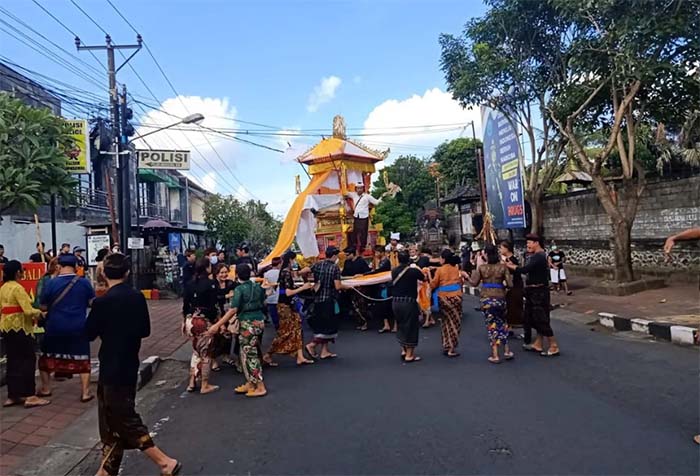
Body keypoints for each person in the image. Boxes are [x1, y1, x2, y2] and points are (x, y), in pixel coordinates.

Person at [85, 253, 181, 476]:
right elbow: (145, 331)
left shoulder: (102, 302)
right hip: (129, 363)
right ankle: (107, 469)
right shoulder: (137, 297)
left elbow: (89, 333)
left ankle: (164, 461)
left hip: (111, 366)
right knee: (111, 419)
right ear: (127, 273)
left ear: (103, 274)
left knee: (123, 417)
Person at [38, 254, 95, 402]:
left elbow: (43, 306)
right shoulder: (84, 283)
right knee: (83, 358)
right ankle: (85, 392)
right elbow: (92, 303)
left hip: (54, 326)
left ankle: (46, 388)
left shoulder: (50, 283)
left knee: (46, 358)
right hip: (78, 326)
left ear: (59, 266)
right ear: (76, 267)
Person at [209, 264, 268, 397]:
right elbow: (264, 300)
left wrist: (217, 324)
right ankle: (251, 382)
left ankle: (260, 386)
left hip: (247, 323)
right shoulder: (258, 287)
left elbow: (233, 309)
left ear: (236, 275)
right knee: (245, 354)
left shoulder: (239, 290)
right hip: (258, 321)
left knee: (250, 355)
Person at [0, 260, 51, 408]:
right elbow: (28, 310)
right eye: (22, 270)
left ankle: (13, 395)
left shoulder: (3, 288)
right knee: (27, 360)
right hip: (21, 328)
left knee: (13, 361)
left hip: (6, 328)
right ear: (17, 273)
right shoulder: (18, 288)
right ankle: (30, 395)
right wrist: (41, 313)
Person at [506, 233, 561, 357]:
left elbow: (524, 270)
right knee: (530, 318)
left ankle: (553, 345)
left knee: (541, 318)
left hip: (539, 292)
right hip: (532, 291)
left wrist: (511, 266)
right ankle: (538, 343)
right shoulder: (536, 256)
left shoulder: (539, 257)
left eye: (529, 243)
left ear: (536, 243)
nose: (528, 245)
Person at [263, 251, 315, 366]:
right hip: (285, 305)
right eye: (294, 260)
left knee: (297, 328)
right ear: (291, 260)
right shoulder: (286, 273)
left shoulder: (286, 272)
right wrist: (303, 288)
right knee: (285, 332)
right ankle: (268, 354)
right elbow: (287, 292)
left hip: (287, 304)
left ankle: (300, 356)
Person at [470, 244, 514, 363]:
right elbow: (510, 284)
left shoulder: (482, 268)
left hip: (487, 299)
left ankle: (495, 354)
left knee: (492, 325)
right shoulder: (503, 267)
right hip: (500, 298)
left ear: (486, 254)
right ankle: (506, 351)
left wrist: (465, 276)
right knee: (502, 323)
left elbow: (474, 283)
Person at [182, 257, 219, 394]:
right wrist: (216, 322)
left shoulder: (189, 284)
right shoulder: (211, 284)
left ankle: (192, 382)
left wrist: (184, 319)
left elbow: (185, 305)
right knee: (206, 353)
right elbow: (213, 306)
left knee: (196, 351)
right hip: (203, 321)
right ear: (207, 268)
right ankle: (204, 384)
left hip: (190, 320)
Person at [302, 246, 342, 359]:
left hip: (318, 300)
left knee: (322, 326)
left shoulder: (318, 264)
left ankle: (325, 351)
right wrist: (348, 286)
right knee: (329, 327)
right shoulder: (335, 268)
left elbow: (304, 271)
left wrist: (306, 280)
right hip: (329, 300)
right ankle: (312, 345)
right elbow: (338, 286)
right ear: (334, 255)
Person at [391, 251, 426, 363]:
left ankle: (403, 350)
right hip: (408, 302)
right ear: (408, 260)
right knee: (411, 326)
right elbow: (423, 277)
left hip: (395, 302)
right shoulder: (413, 271)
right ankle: (409, 355)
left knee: (401, 325)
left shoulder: (394, 271)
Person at [431, 249, 463, 357]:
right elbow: (460, 281)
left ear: (444, 259)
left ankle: (446, 345)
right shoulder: (456, 268)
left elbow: (433, 284)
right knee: (455, 322)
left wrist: (428, 277)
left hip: (443, 299)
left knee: (445, 322)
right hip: (456, 298)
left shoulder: (440, 270)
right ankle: (451, 348)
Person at [212, 263, 236, 371]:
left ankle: (226, 356)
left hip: (228, 312)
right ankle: (213, 359)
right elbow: (214, 298)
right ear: (216, 274)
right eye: (221, 272)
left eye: (226, 272)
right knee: (216, 336)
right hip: (216, 312)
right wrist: (226, 296)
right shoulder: (212, 284)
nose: (224, 274)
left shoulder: (230, 283)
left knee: (228, 335)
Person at [341, 246, 371, 331]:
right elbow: (344, 273)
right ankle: (359, 321)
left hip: (360, 286)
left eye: (347, 255)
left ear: (352, 254)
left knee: (362, 304)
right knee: (354, 305)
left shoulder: (361, 261)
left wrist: (361, 275)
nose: (346, 257)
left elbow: (368, 272)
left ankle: (365, 322)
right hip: (351, 286)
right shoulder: (347, 262)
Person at [368, 245, 395, 333]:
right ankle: (386, 324)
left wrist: (366, 274)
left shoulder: (386, 261)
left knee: (388, 305)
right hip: (381, 286)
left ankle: (395, 325)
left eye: (377, 252)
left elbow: (379, 271)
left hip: (385, 286)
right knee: (382, 306)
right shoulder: (380, 261)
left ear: (382, 252)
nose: (375, 254)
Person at [349, 182, 380, 253]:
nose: (359, 190)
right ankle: (354, 246)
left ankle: (363, 247)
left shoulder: (367, 196)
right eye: (358, 188)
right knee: (355, 232)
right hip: (356, 216)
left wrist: (383, 196)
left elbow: (376, 202)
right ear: (355, 189)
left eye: (361, 188)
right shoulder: (353, 195)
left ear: (363, 189)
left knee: (363, 233)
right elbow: (345, 194)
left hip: (364, 217)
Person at [262, 257, 282, 329]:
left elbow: (265, 285)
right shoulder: (281, 272)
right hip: (280, 296)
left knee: (274, 316)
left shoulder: (266, 274)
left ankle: (277, 329)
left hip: (270, 297)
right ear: (279, 264)